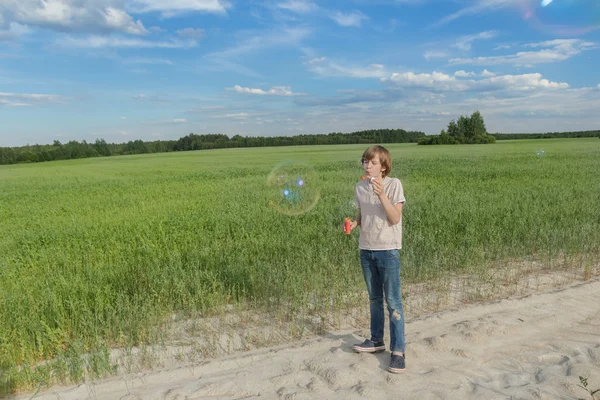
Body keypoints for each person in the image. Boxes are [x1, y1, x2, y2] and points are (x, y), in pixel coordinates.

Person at [346, 145, 407, 373]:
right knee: (374, 299)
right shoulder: (360, 187)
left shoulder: (394, 185)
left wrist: (381, 194)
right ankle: (376, 340)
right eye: (365, 161)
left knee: (393, 302)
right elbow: (363, 214)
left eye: (372, 162)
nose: (367, 166)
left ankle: (398, 351)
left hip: (388, 250)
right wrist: (354, 224)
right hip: (366, 249)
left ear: (383, 167)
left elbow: (394, 217)